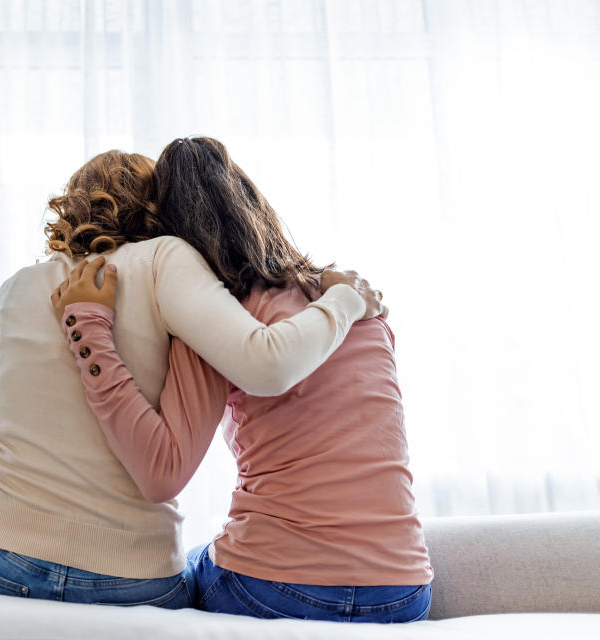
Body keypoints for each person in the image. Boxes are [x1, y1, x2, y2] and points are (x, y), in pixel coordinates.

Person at [0, 149, 384, 608]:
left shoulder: (15, 287)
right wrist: (343, 299)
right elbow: (261, 362)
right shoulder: (168, 260)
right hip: (132, 578)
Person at [51, 137, 432, 621]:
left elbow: (160, 472)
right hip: (403, 589)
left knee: (177, 573)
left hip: (275, 585)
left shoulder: (217, 319)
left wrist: (91, 334)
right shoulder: (359, 304)